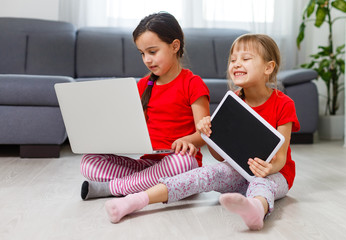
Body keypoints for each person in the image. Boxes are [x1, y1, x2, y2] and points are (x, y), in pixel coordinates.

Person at [104, 33, 300, 231]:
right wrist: (209, 134)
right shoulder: (232, 103)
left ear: (268, 67)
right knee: (204, 173)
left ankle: (257, 208)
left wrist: (268, 169)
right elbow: (219, 156)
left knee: (262, 182)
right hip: (237, 172)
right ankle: (136, 200)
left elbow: (281, 157)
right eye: (233, 60)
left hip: (276, 175)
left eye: (246, 59)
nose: (236, 64)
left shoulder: (284, 104)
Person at [80, 12, 210, 200]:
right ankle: (148, 183)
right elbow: (132, 128)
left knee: (184, 163)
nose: (147, 59)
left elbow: (204, 134)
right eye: (142, 53)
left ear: (175, 46)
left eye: (152, 51)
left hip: (178, 162)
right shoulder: (142, 85)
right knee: (88, 161)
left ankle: (113, 188)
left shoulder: (193, 83)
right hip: (147, 164)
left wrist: (188, 140)